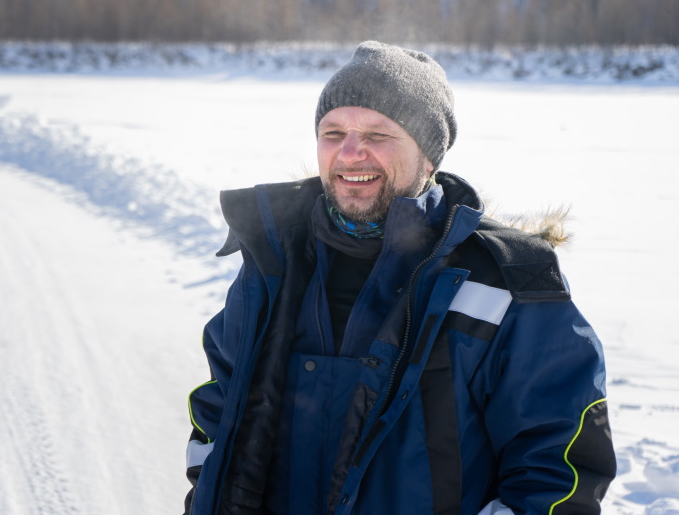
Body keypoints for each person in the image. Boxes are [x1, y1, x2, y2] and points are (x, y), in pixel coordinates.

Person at [183, 41, 616, 515]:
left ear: (429, 157)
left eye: (378, 133)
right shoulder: (273, 260)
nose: (351, 152)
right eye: (333, 132)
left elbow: (559, 466)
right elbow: (217, 417)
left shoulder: (506, 282)